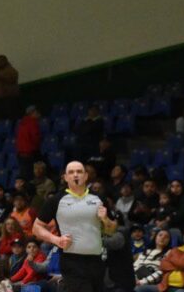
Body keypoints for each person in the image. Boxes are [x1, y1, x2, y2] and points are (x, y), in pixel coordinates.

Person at [33, 161, 116, 292]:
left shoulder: (99, 198)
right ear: (65, 177)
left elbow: (111, 230)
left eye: (79, 171)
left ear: (86, 176)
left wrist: (105, 219)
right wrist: (56, 240)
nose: (75, 175)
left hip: (97, 261)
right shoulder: (56, 200)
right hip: (72, 261)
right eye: (71, 172)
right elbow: (36, 227)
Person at [16, 106, 41, 179]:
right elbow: (35, 138)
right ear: (32, 113)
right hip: (30, 154)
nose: (38, 114)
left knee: (25, 175)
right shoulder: (33, 123)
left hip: (21, 155)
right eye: (37, 112)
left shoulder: (22, 123)